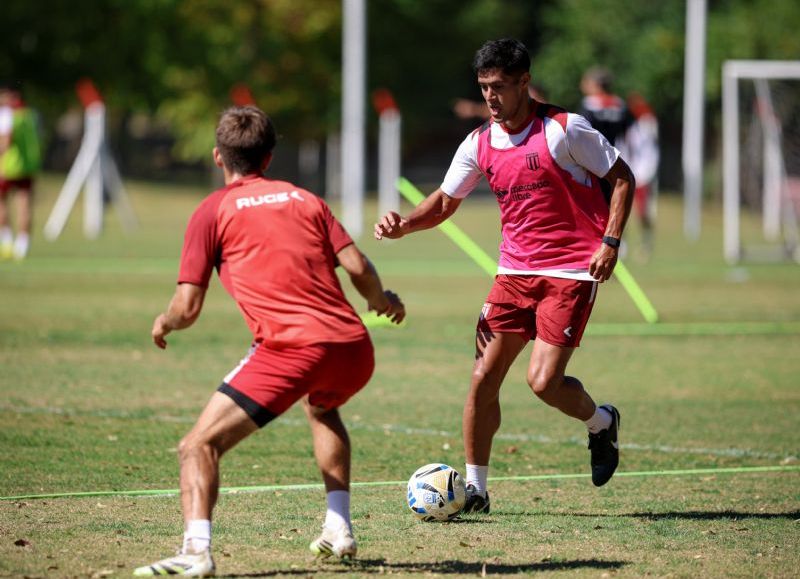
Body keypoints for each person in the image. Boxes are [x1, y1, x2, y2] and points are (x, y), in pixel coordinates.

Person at [135, 105, 405, 576]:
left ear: (218, 157)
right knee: (322, 407)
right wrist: (382, 301)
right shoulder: (306, 199)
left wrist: (164, 322)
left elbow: (188, 307)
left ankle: (196, 551)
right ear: (270, 155)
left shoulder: (212, 210)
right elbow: (359, 266)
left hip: (293, 349)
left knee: (197, 446)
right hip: (352, 347)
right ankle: (338, 526)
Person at [375, 39, 635, 514]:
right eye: (483, 87)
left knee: (543, 383)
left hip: (570, 272)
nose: (491, 97)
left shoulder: (563, 129)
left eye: (498, 87)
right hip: (513, 273)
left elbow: (622, 177)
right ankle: (475, 491)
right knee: (482, 377)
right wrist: (406, 225)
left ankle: (601, 422)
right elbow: (446, 201)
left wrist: (610, 241)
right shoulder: (479, 142)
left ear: (523, 83)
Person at [0, 84, 41, 260]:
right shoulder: (31, 115)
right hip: (28, 166)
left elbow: (6, 141)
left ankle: (7, 242)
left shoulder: (8, 114)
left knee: (2, 204)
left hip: (8, 166)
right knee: (24, 205)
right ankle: (22, 246)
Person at [625, 92, 660, 258]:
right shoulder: (627, 125)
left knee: (642, 212)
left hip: (644, 172)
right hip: (628, 171)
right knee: (620, 211)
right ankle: (622, 247)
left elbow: (651, 147)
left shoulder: (647, 122)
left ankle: (646, 243)